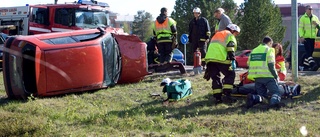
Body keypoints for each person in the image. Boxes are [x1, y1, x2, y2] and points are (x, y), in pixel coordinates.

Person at [204, 24, 240, 104]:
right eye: (236, 33)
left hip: (210, 59)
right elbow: (230, 47)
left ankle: (218, 98)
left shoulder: (217, 34)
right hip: (221, 58)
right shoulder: (229, 35)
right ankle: (227, 95)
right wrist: (232, 59)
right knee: (230, 74)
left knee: (216, 78)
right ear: (232, 30)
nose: (236, 35)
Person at [246, 36, 282, 109]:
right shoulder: (269, 50)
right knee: (276, 93)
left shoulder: (254, 50)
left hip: (257, 77)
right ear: (270, 43)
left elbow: (248, 64)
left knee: (262, 96)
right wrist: (276, 76)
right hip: (268, 77)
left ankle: (254, 98)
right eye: (271, 44)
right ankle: (273, 103)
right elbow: (271, 65)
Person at [299, 5, 320, 70]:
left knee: (310, 52)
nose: (311, 10)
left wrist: (316, 24)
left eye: (311, 9)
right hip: (306, 38)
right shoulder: (303, 18)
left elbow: (319, 27)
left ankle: (306, 67)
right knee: (308, 52)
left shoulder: (315, 18)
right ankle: (313, 64)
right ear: (306, 10)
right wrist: (301, 36)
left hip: (314, 38)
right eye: (309, 9)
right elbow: (300, 28)